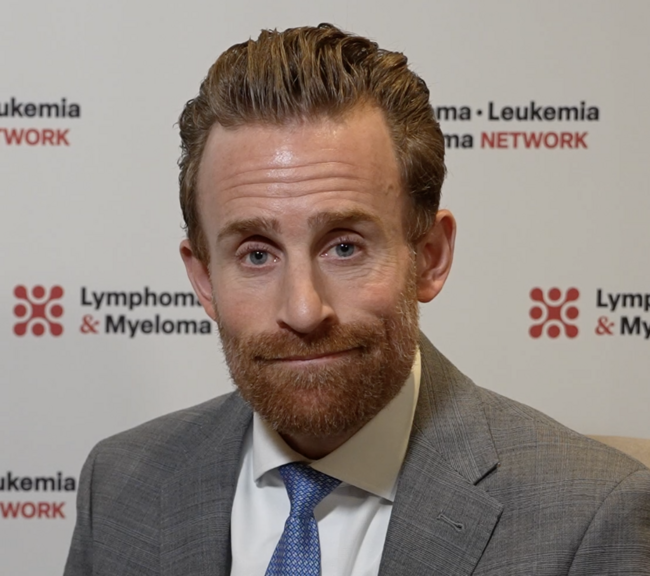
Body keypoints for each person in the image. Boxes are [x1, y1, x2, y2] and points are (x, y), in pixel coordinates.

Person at [64, 23, 650, 576]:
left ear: (430, 256)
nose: (302, 310)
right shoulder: (117, 487)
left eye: (344, 247)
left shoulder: (591, 517)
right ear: (204, 280)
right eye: (257, 254)